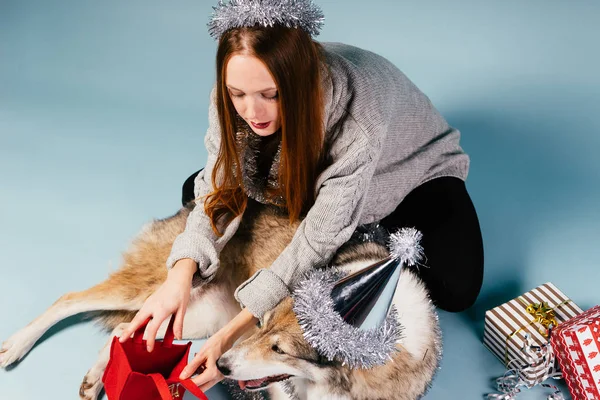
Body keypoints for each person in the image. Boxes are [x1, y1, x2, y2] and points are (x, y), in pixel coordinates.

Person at [119, 0, 484, 392]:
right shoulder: (237, 100)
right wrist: (179, 275)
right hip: (306, 172)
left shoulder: (360, 121)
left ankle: (360, 223)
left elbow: (316, 241)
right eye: (237, 93)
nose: (251, 111)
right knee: (195, 194)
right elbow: (218, 185)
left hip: (410, 174)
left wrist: (232, 332)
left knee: (457, 287)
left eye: (270, 94)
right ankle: (326, 209)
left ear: (297, 83)